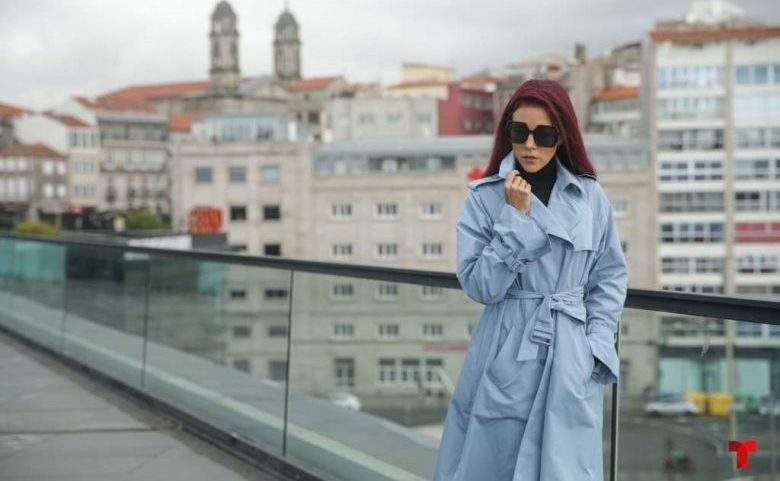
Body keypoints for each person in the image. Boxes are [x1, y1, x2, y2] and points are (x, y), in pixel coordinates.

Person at [431, 78, 628, 481]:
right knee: (495, 462)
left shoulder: (590, 197)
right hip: (507, 344)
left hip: (570, 349)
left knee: (567, 467)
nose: (530, 145)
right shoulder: (485, 198)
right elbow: (480, 286)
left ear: (563, 136)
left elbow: (609, 276)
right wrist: (515, 219)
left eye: (544, 134)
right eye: (519, 132)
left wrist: (595, 346)